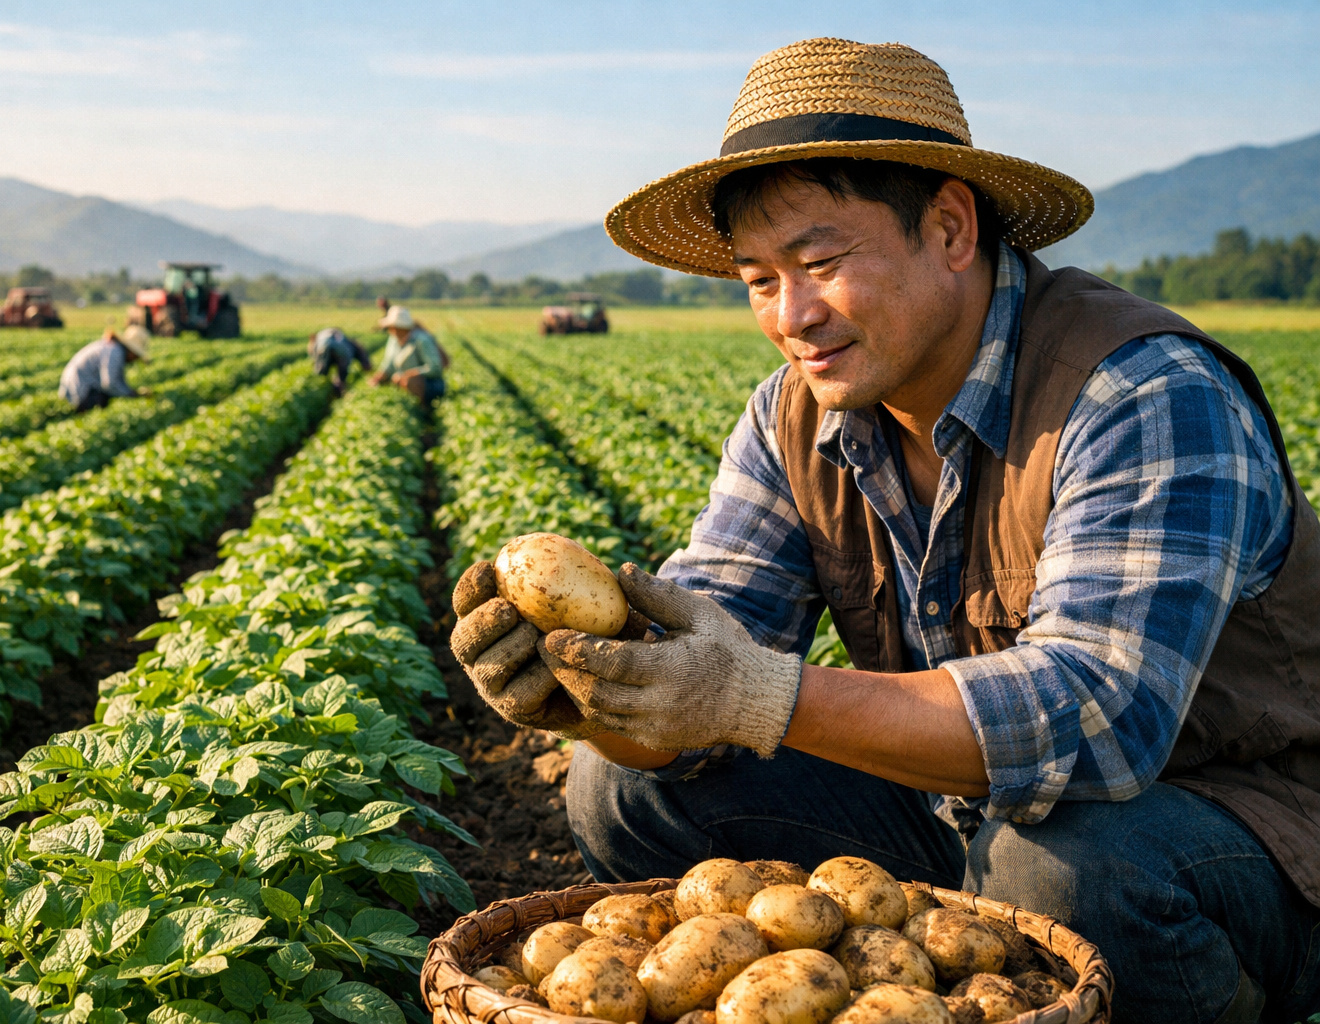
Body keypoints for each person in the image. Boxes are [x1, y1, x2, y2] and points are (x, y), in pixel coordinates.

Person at [447, 39, 1320, 1024]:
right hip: (962, 812)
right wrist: (599, 693)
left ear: (950, 228)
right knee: (621, 786)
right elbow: (706, 639)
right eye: (759, 279)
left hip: (1240, 829)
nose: (793, 316)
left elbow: (1097, 722)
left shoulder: (1141, 392)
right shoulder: (792, 417)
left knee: (1061, 872)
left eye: (820, 264)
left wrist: (752, 691)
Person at [58, 327, 150, 412]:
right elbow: (109, 384)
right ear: (132, 351)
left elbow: (117, 380)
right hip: (79, 391)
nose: (136, 359)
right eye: (137, 356)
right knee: (103, 398)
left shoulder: (114, 348)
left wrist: (130, 392)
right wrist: (133, 395)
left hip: (77, 387)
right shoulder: (115, 351)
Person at [370, 305, 446, 407]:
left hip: (430, 385)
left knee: (411, 381)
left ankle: (423, 409)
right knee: (384, 382)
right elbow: (389, 364)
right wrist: (379, 377)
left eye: (393, 327)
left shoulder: (421, 340)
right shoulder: (393, 340)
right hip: (404, 382)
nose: (391, 330)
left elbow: (435, 369)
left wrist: (409, 374)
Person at [308, 327, 372, 395]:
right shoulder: (344, 339)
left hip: (323, 349)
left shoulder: (321, 337)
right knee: (341, 374)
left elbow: (313, 351)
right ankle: (338, 390)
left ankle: (326, 391)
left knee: (321, 371)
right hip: (341, 352)